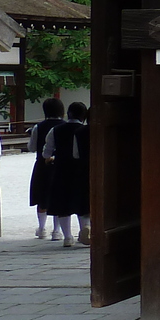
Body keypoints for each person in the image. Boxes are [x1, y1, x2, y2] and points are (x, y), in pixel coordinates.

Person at [43, 102, 90, 248]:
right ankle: (84, 229)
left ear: (68, 113)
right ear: (84, 116)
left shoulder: (55, 130)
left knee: (62, 204)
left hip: (61, 170)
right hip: (81, 171)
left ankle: (68, 237)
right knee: (82, 202)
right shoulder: (85, 130)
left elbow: (46, 152)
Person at [28, 98, 65, 240]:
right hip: (61, 165)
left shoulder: (38, 127)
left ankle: (42, 228)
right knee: (58, 196)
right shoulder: (65, 126)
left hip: (42, 165)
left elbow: (31, 147)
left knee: (41, 196)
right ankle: (57, 231)